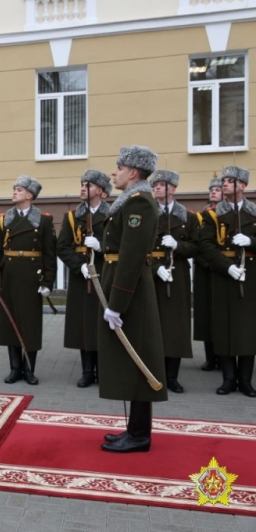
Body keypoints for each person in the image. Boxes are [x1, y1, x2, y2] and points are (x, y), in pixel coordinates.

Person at [99, 145, 167, 453]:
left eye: (119, 167)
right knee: (131, 358)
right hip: (122, 284)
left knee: (139, 358)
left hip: (132, 291)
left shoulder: (140, 204)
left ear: (133, 172)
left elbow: (131, 258)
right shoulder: (129, 201)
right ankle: (134, 429)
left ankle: (140, 435)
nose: (114, 172)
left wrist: (117, 304)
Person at [0, 176, 57, 386]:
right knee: (10, 322)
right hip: (9, 275)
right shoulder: (4, 219)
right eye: (14, 189)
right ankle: (15, 368)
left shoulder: (43, 220)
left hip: (32, 278)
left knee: (30, 324)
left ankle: (29, 369)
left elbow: (49, 253)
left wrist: (48, 282)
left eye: (19, 189)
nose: (15, 192)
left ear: (30, 195)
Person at [198, 166, 256, 398]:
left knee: (247, 329)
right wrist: (227, 266)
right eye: (224, 181)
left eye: (230, 181)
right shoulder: (213, 215)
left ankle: (245, 380)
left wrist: (251, 241)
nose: (225, 184)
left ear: (242, 186)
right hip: (223, 275)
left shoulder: (254, 213)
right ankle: (228, 379)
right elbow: (206, 245)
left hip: (249, 276)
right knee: (223, 328)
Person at [56, 170, 110, 388]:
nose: (82, 188)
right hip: (82, 277)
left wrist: (102, 247)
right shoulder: (72, 216)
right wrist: (79, 266)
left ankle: (105, 370)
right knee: (84, 324)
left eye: (87, 186)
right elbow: (62, 247)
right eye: (82, 184)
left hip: (105, 274)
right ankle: (87, 371)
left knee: (103, 322)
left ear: (101, 191)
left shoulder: (113, 214)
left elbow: (123, 246)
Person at [150, 170, 198, 393]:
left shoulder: (187, 216)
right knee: (154, 324)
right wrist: (157, 267)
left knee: (175, 326)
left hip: (177, 273)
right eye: (155, 184)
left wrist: (178, 246)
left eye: (162, 184)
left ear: (173, 189)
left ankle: (172, 376)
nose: (157, 187)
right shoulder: (148, 214)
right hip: (152, 272)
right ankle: (154, 374)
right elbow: (137, 247)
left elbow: (197, 247)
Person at [194, 176, 222, 372]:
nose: (213, 191)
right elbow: (198, 243)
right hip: (206, 268)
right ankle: (211, 357)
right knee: (206, 313)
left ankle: (225, 355)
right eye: (211, 189)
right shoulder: (202, 216)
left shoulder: (232, 214)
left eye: (217, 189)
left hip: (225, 268)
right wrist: (210, 262)